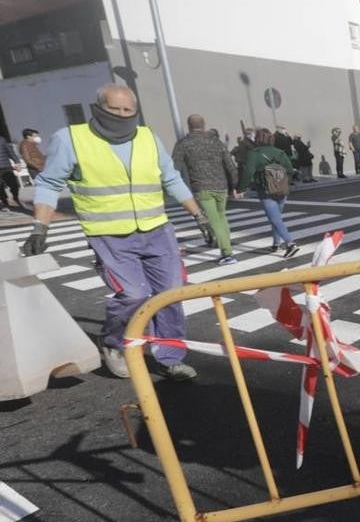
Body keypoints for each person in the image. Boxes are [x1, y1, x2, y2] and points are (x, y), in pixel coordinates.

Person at [21, 84, 203, 380]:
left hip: (157, 229)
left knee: (170, 295)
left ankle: (169, 357)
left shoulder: (147, 137)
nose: (121, 115)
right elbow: (50, 183)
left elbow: (171, 178)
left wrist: (199, 215)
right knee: (134, 295)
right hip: (109, 235)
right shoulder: (72, 139)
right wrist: (40, 227)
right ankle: (114, 342)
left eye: (128, 110)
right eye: (114, 109)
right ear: (98, 108)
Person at [171, 114, 240, 265]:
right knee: (221, 217)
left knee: (214, 220)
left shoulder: (183, 144)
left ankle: (227, 252)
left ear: (189, 126)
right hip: (221, 186)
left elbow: (174, 168)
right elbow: (230, 165)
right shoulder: (216, 142)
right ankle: (225, 246)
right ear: (204, 125)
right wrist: (234, 185)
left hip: (201, 187)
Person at [242, 128, 299, 258]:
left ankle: (290, 244)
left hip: (265, 189)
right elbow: (289, 169)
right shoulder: (279, 152)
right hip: (281, 188)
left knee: (274, 218)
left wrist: (241, 188)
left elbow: (248, 172)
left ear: (257, 139)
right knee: (277, 217)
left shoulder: (254, 153)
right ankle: (276, 243)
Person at [0, 135, 21, 209]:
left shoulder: (1, 139)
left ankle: (15, 197)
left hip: (6, 167)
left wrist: (17, 162)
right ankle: (5, 201)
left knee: (14, 184)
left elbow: (10, 152)